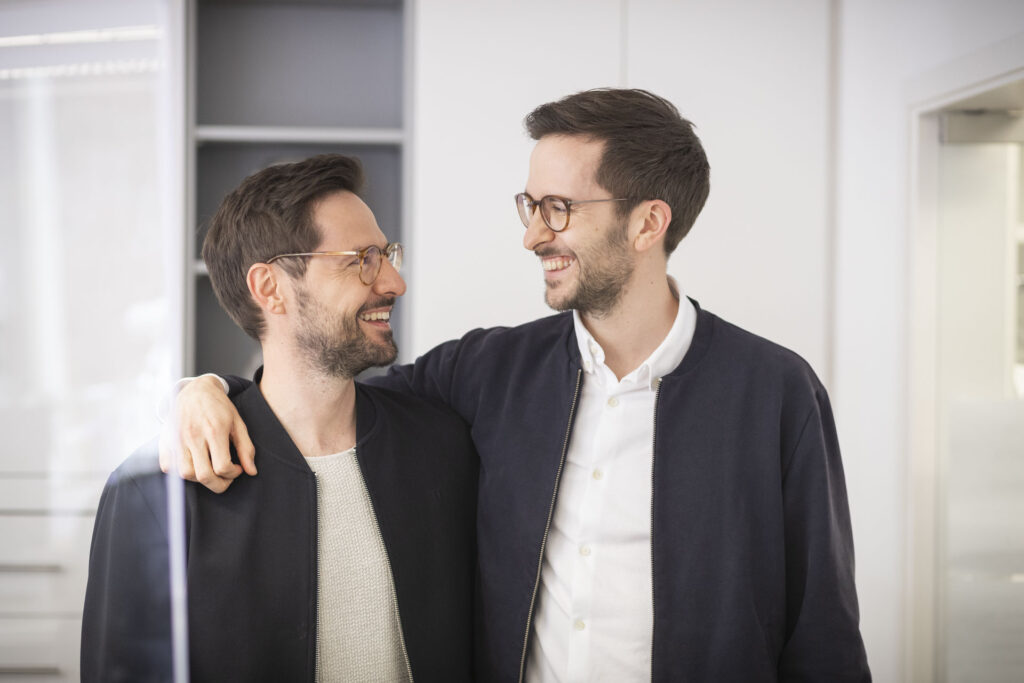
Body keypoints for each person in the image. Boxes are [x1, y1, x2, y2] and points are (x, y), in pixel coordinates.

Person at [166, 89, 871, 681]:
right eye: (529, 206)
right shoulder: (487, 372)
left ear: (647, 222)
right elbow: (322, 391)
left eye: (558, 208)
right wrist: (204, 389)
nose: (533, 236)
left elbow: (824, 633)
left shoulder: (777, 392)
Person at [82, 154, 478, 682]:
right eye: (361, 258)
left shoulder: (441, 447)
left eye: (386, 255)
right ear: (270, 288)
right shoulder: (154, 491)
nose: (393, 283)